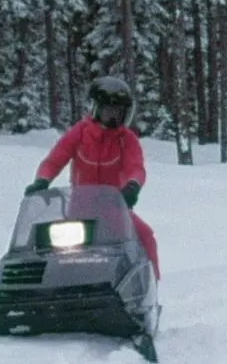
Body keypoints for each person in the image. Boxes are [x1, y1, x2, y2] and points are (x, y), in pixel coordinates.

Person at [24, 76, 160, 281]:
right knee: (53, 247)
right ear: (96, 109)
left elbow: (136, 167)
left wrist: (132, 186)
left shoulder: (127, 140)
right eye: (108, 111)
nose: (113, 118)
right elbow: (54, 160)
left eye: (119, 113)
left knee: (145, 236)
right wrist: (42, 181)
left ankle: (149, 287)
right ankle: (46, 289)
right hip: (79, 210)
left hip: (115, 210)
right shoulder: (80, 133)